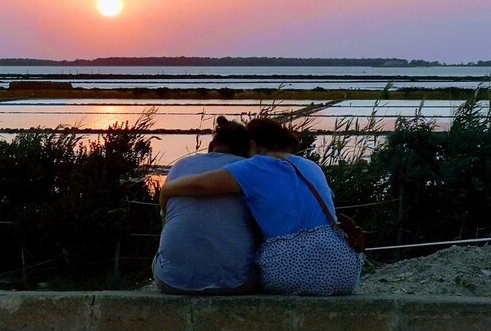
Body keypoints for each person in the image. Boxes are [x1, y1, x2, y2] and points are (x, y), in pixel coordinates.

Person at [159, 117, 362, 296]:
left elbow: (199, 185)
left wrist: (166, 190)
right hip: (344, 271)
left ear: (253, 144)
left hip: (289, 272)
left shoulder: (254, 167)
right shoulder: (311, 166)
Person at [152, 117, 259, 295]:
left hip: (171, 281)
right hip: (235, 283)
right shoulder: (247, 169)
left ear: (212, 146)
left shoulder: (181, 165)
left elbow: (165, 218)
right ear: (247, 148)